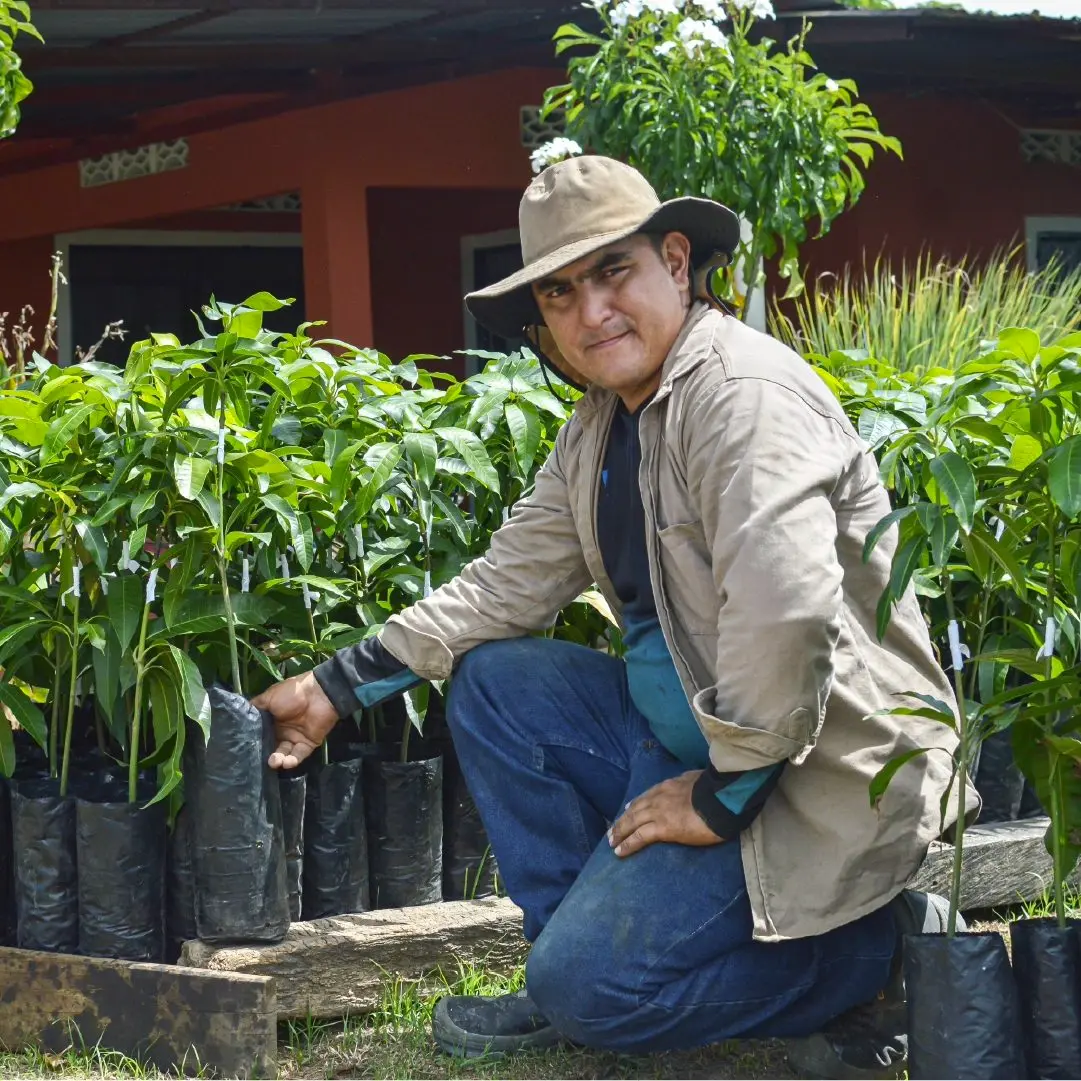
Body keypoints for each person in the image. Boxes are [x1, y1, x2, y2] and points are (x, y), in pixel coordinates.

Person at [253, 155, 974, 1080]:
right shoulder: (603, 422)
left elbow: (787, 616)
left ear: (675, 262)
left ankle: (877, 952)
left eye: (612, 272)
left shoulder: (740, 399)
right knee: (496, 682)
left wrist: (721, 798)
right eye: (559, 291)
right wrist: (335, 685)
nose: (590, 311)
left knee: (598, 994)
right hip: (687, 742)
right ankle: (567, 962)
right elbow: (506, 581)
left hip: (803, 767)